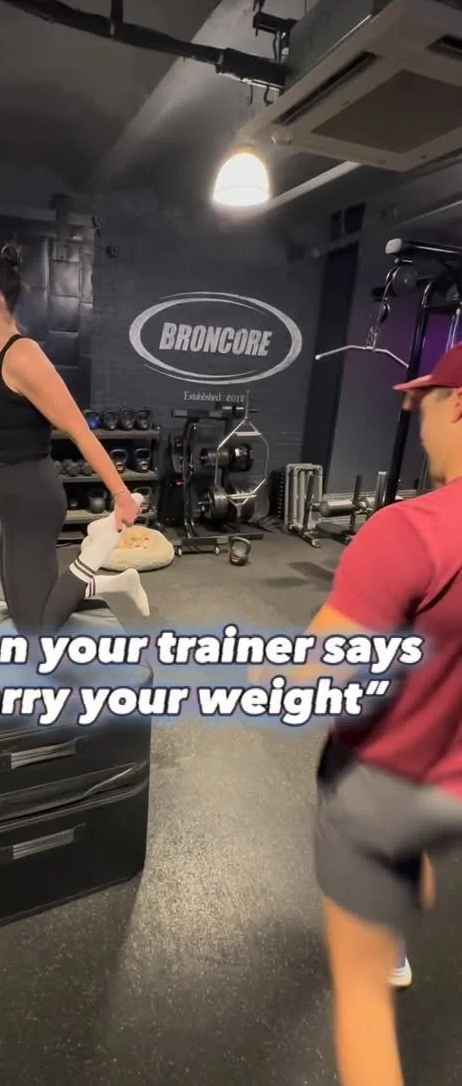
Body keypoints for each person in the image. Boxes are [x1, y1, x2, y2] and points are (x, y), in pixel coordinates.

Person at [271, 344, 462, 1085]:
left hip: (381, 789)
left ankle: (383, 942)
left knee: (360, 998)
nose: (415, 418)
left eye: (427, 400)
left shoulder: (410, 530)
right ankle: (397, 916)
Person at [0, 243, 150, 635]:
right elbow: (6, 439)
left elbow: (78, 429)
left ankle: (98, 548)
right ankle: (119, 583)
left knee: (35, 626)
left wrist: (122, 496)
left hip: (33, 500)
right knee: (19, 605)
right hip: (10, 496)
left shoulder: (23, 357)